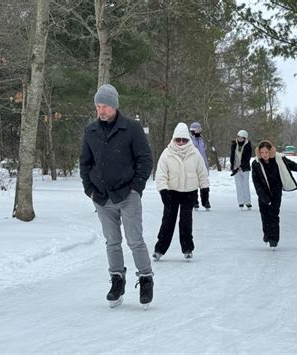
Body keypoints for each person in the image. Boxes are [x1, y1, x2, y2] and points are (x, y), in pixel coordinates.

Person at [79, 84, 154, 309]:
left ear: (115, 106)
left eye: (105, 106)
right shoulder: (90, 131)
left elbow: (145, 159)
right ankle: (117, 281)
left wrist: (136, 187)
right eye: (98, 106)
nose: (101, 110)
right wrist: (89, 189)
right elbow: (85, 163)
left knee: (135, 241)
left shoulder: (131, 128)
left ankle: (146, 279)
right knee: (112, 242)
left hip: (127, 194)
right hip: (102, 197)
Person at [153, 122, 210, 261]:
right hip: (171, 192)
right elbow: (161, 174)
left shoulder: (194, 153)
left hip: (189, 192)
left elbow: (202, 173)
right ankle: (160, 249)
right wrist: (163, 191)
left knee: (186, 221)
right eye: (178, 139)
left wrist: (204, 190)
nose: (181, 142)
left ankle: (187, 248)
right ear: (173, 139)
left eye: (184, 139)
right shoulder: (167, 153)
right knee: (168, 221)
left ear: (188, 140)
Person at [251, 140, 297, 248]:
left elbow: (294, 166)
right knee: (265, 216)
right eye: (262, 152)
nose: (264, 155)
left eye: (266, 152)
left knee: (274, 215)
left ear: (271, 151)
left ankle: (274, 239)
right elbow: (256, 181)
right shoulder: (256, 163)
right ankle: (267, 234)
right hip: (263, 193)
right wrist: (263, 196)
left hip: (276, 192)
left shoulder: (279, 159)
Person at [189, 122, 211, 210]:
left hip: (203, 164)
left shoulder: (202, 139)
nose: (199, 130)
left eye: (200, 129)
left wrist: (206, 164)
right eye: (198, 129)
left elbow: (204, 152)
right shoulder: (189, 140)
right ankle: (194, 202)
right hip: (193, 165)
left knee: (204, 184)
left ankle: (206, 202)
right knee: (194, 184)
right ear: (193, 130)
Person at [230, 129, 252, 209]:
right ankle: (241, 202)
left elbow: (247, 158)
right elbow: (232, 156)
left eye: (241, 138)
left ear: (245, 138)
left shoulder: (248, 146)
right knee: (238, 185)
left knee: (245, 185)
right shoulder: (234, 144)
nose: (239, 139)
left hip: (244, 168)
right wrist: (233, 166)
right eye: (238, 137)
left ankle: (248, 202)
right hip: (236, 167)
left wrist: (241, 167)